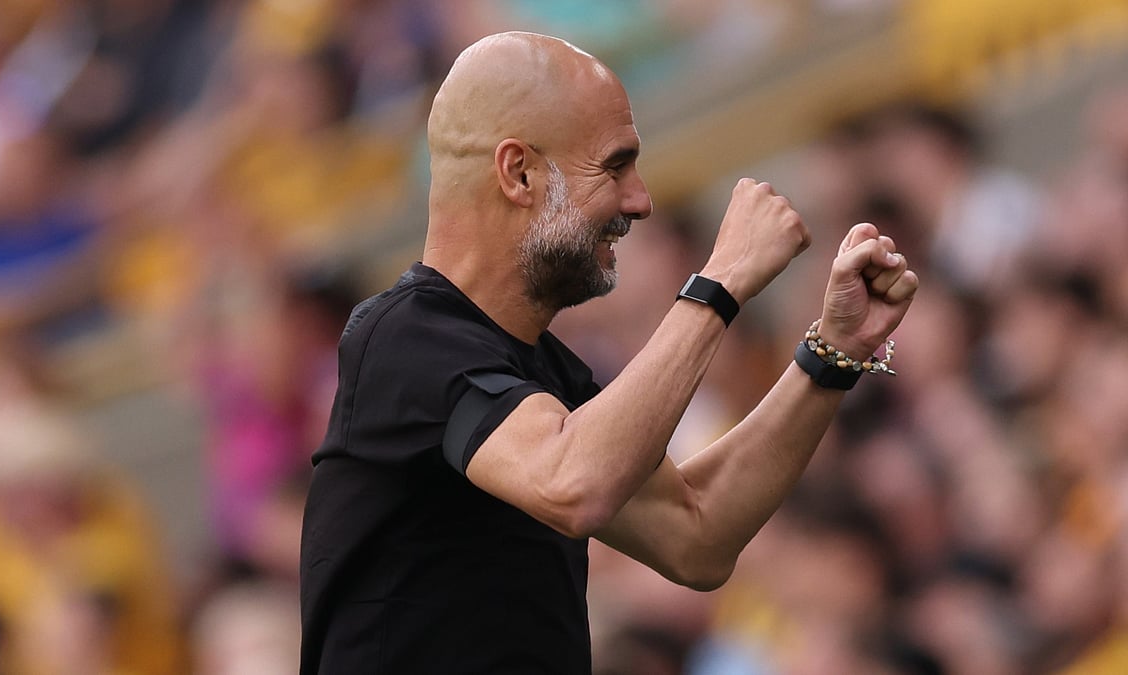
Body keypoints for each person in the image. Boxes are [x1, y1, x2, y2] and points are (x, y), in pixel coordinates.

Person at [299, 31, 918, 674]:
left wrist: (835, 352)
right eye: (615, 166)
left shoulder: (547, 373)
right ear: (519, 173)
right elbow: (573, 484)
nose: (639, 200)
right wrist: (720, 282)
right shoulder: (405, 336)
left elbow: (695, 537)